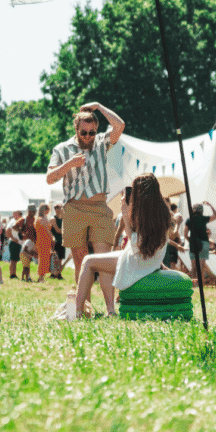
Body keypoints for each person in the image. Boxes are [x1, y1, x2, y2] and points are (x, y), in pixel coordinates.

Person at [46, 102, 125, 300]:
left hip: (99, 207)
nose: (88, 137)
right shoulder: (62, 149)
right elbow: (50, 178)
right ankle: (85, 306)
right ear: (76, 129)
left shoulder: (101, 142)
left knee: (104, 259)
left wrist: (99, 106)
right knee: (80, 259)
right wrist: (70, 164)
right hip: (73, 207)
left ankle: (110, 309)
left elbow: (120, 126)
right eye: (84, 132)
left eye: (92, 132)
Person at [73, 173, 170, 318]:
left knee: (88, 261)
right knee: (98, 260)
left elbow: (136, 245)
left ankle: (76, 313)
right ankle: (92, 309)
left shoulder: (144, 213)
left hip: (137, 262)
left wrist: (124, 214)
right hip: (151, 263)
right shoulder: (163, 211)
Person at [186, 201, 216, 279]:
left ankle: (193, 285)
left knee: (193, 267)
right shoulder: (203, 218)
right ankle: (200, 286)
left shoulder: (189, 220)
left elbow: (185, 234)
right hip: (204, 243)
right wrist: (210, 205)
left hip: (193, 244)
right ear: (201, 210)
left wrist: (190, 240)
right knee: (201, 267)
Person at [6, 210, 23, 280]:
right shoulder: (13, 221)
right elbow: (7, 230)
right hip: (14, 243)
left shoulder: (16, 221)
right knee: (13, 259)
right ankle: (12, 274)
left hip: (17, 242)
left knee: (15, 260)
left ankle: (13, 274)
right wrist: (13, 238)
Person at [50, 205, 65, 280]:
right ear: (55, 209)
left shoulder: (63, 219)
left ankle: (59, 274)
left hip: (62, 241)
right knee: (54, 258)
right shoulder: (53, 219)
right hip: (55, 242)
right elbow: (57, 230)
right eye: (57, 208)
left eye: (60, 208)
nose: (59, 210)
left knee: (60, 259)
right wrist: (66, 232)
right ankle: (53, 274)